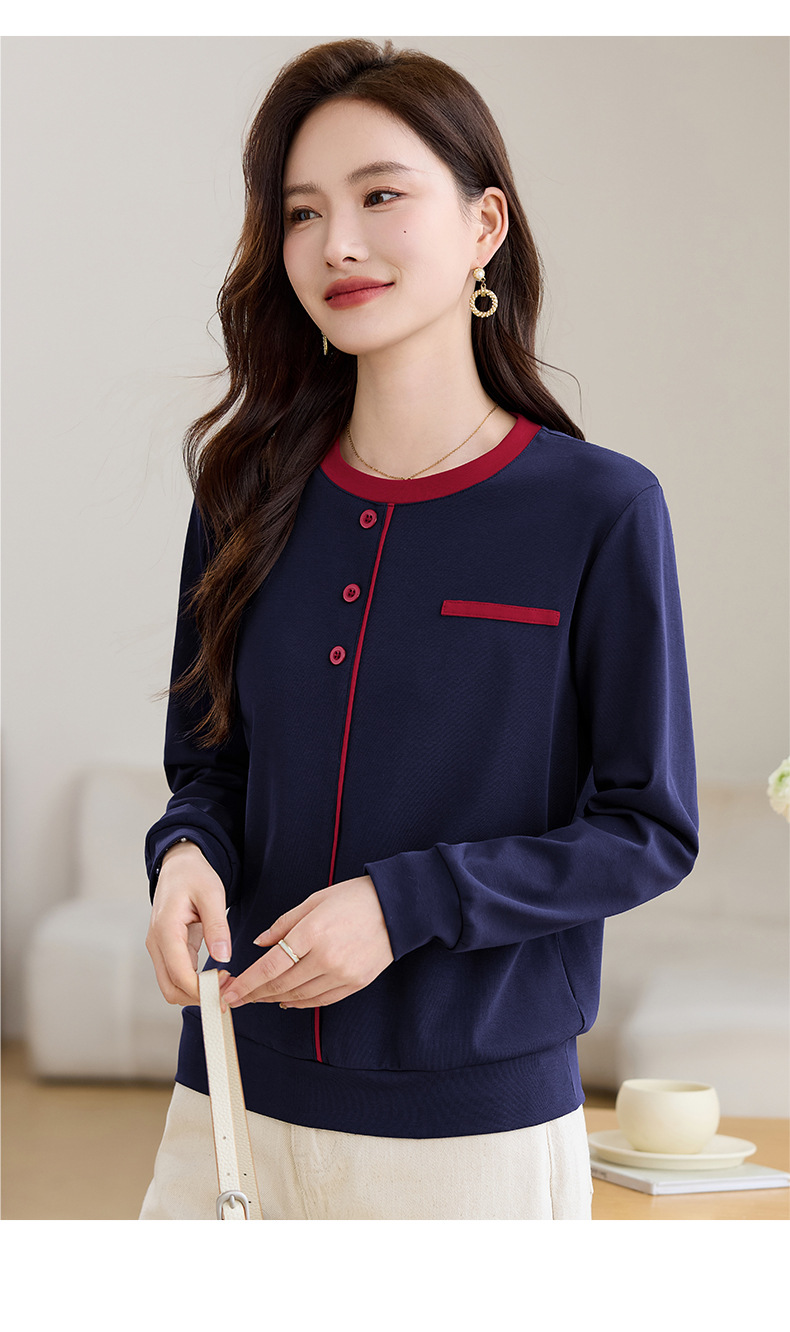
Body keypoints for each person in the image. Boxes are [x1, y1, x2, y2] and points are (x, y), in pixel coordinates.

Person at [139, 37, 698, 1221]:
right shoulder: (242, 494)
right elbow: (211, 767)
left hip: (470, 1141)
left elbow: (645, 829)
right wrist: (185, 857)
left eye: (380, 196)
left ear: (484, 224)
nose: (335, 243)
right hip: (228, 1102)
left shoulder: (597, 510)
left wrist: (404, 905)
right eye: (301, 212)